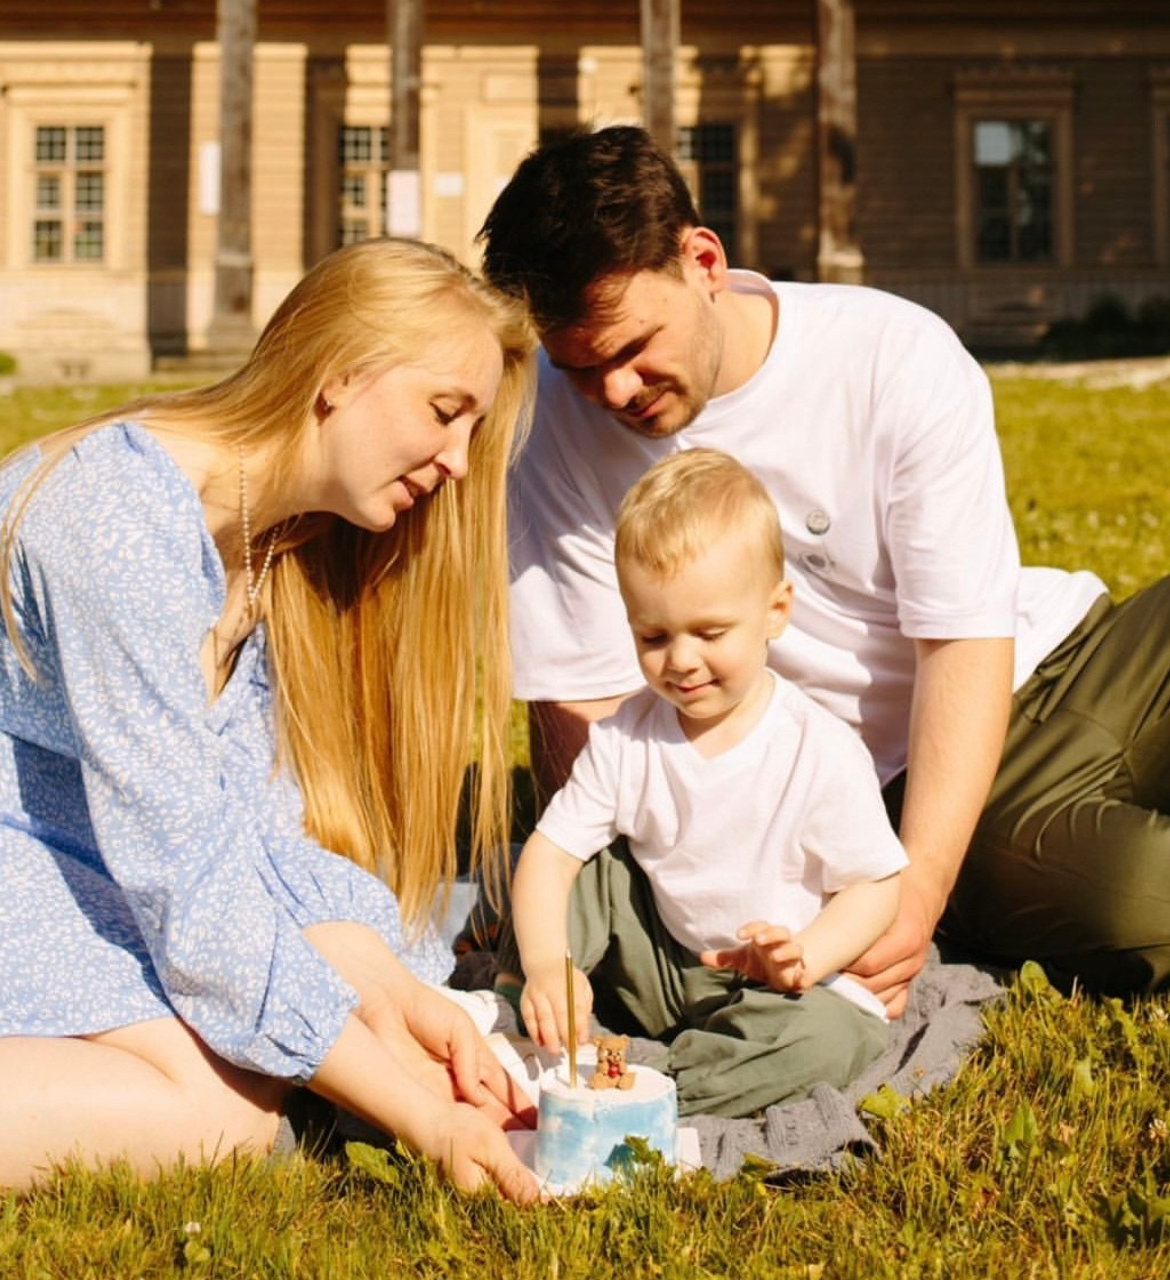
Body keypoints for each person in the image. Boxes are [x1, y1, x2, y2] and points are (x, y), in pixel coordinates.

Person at [0, 237, 542, 1202]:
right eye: (445, 413)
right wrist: (422, 1120)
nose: (454, 461)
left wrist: (405, 1000)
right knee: (220, 1113)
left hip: (46, 849)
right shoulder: (114, 517)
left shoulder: (265, 545)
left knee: (246, 1089)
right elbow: (193, 894)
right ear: (339, 373)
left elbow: (254, 834)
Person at [478, 124, 1170, 1016]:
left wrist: (917, 892)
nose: (613, 391)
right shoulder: (553, 434)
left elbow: (962, 638)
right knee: (1138, 903)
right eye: (580, 369)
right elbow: (580, 697)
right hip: (945, 778)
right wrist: (907, 886)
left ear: (703, 261)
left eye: (632, 346)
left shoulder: (892, 354)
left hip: (1056, 650)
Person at [506, 449, 907, 1117]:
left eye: (710, 631)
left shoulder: (818, 749)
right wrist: (549, 962)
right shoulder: (628, 735)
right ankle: (529, 1004)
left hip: (770, 989)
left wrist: (806, 954)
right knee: (589, 867)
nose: (681, 660)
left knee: (835, 1034)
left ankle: (666, 1094)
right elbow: (551, 855)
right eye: (653, 636)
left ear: (776, 611)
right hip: (658, 965)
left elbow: (877, 884)